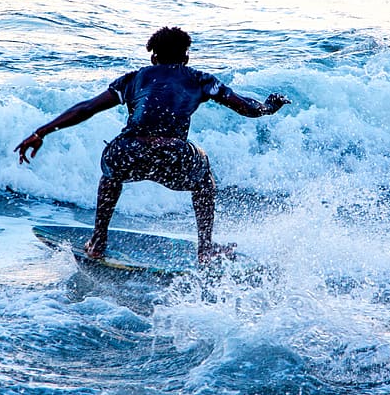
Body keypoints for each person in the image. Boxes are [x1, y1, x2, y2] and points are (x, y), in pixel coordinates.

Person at [15, 27, 290, 264]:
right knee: (204, 178)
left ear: (153, 56)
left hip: (129, 152)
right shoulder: (200, 80)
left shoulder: (134, 78)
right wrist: (269, 107)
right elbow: (246, 107)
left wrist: (41, 132)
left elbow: (86, 108)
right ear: (186, 57)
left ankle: (98, 242)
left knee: (112, 172)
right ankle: (205, 248)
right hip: (174, 156)